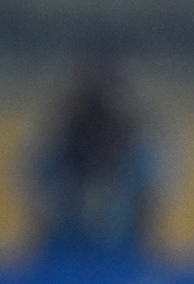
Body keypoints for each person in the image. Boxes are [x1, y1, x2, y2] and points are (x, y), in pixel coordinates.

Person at [30, 55, 161, 261]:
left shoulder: (140, 158)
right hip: (65, 257)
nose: (100, 134)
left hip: (122, 258)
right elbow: (42, 206)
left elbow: (145, 215)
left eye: (107, 124)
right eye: (94, 122)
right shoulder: (59, 154)